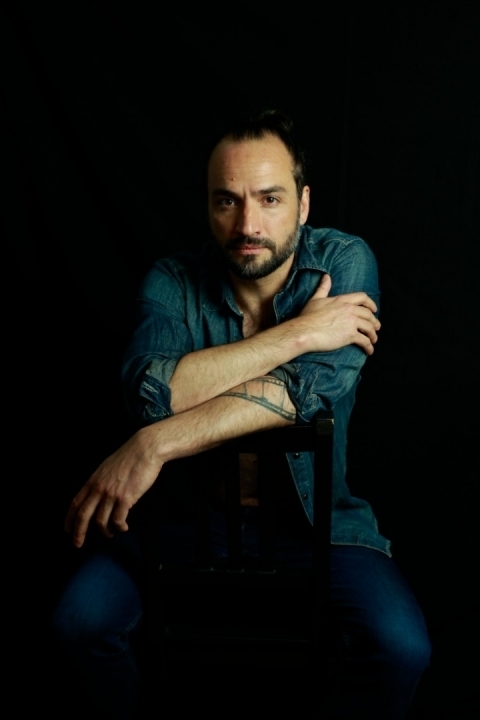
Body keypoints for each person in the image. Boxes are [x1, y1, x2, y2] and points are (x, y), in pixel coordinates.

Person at [53, 109, 431, 718]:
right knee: (79, 624)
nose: (247, 224)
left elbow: (308, 391)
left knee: (402, 649)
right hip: (181, 518)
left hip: (314, 524)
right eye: (226, 201)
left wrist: (152, 444)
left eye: (270, 199)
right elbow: (152, 394)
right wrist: (296, 336)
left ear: (303, 205)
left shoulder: (343, 263)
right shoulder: (171, 282)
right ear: (208, 206)